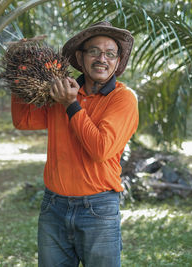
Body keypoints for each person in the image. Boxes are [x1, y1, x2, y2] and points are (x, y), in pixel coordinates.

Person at [11, 21, 138, 267]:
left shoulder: (123, 99)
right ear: (80, 57)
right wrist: (21, 72)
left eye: (110, 54)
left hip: (98, 209)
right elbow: (23, 120)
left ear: (117, 61)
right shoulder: (62, 92)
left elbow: (101, 149)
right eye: (94, 51)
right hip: (54, 207)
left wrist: (71, 105)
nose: (102, 59)